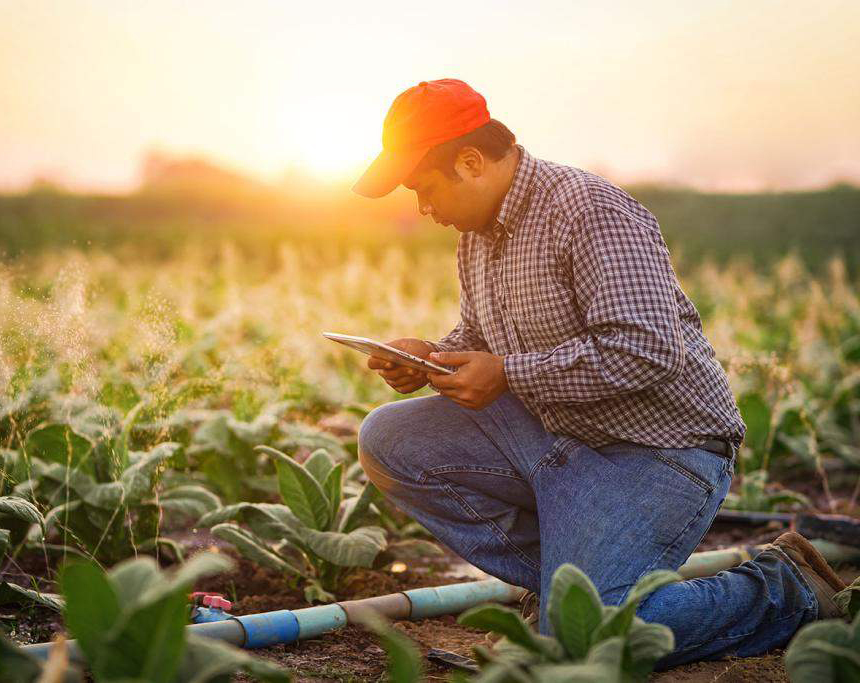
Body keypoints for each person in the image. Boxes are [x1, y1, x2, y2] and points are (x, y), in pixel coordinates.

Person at [351, 78, 846, 667]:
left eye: (423, 189)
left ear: (470, 161)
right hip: (560, 437)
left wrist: (508, 374)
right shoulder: (476, 237)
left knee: (590, 642)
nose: (423, 208)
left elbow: (646, 348)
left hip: (656, 450)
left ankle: (785, 590)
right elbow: (485, 341)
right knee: (389, 439)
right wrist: (431, 357)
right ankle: (572, 587)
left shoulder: (589, 211)